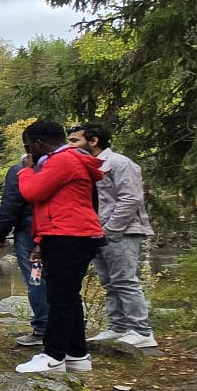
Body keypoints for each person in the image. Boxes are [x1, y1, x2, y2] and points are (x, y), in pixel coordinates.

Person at [14, 120, 104, 375]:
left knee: (59, 298)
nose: (29, 151)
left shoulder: (62, 160)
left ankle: (53, 356)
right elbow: (58, 204)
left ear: (39, 142)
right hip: (67, 234)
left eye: (28, 145)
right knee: (68, 296)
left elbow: (32, 192)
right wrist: (42, 241)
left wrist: (26, 171)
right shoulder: (70, 159)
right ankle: (77, 353)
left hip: (69, 235)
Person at [70, 123, 157, 350]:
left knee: (125, 280)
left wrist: (110, 229)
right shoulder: (88, 166)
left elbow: (131, 199)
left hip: (123, 232)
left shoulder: (120, 163)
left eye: (75, 140)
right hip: (97, 231)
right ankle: (118, 326)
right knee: (109, 282)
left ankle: (141, 331)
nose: (71, 145)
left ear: (93, 140)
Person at [0, 160, 48, 350]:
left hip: (31, 232)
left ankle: (42, 328)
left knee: (36, 279)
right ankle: (68, 327)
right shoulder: (65, 164)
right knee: (61, 281)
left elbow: (11, 204)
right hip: (63, 230)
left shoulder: (20, 169)